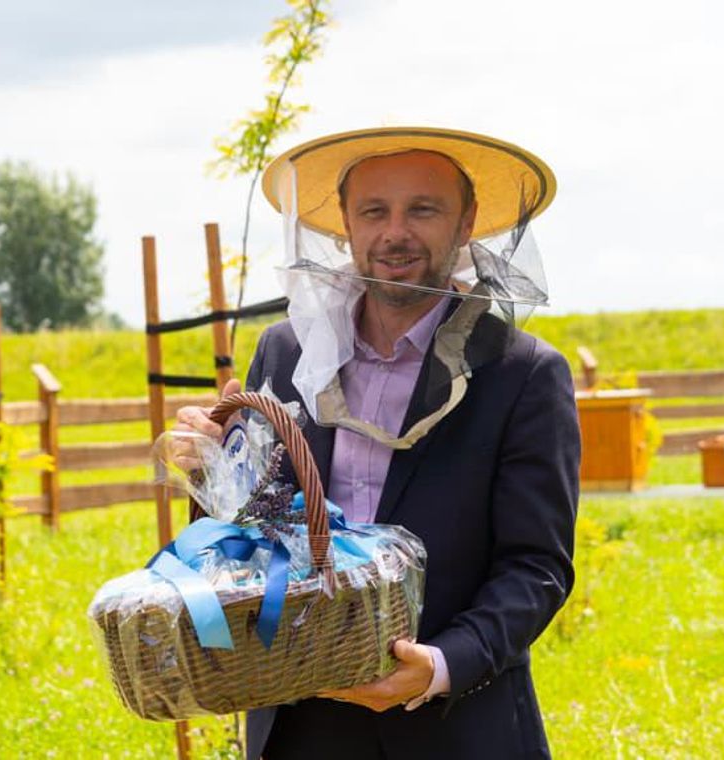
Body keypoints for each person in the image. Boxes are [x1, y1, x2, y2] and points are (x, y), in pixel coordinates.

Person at [175, 127, 580, 759]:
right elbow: (254, 533)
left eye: (423, 209)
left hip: (456, 729)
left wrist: (442, 664)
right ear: (345, 223)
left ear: (467, 221)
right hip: (300, 722)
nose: (396, 233)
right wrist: (212, 468)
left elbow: (537, 567)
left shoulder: (524, 373)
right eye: (374, 211)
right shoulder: (285, 351)